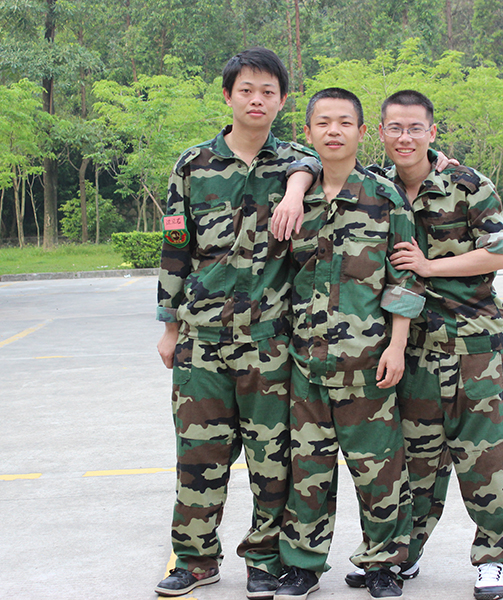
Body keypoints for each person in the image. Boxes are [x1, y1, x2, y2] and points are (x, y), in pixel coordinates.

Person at [154, 47, 316, 599]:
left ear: (282, 100)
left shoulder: (295, 162)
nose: (256, 100)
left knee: (273, 460)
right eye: (246, 89)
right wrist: (169, 327)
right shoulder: (193, 165)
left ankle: (264, 559)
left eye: (268, 91)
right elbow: (174, 247)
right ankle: (195, 559)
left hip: (268, 341)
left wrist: (294, 186)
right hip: (201, 339)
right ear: (228, 95)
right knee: (199, 455)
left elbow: (325, 162)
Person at [273, 88, 425, 600]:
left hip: (367, 365)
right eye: (323, 122)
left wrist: (396, 346)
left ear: (362, 133)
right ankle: (303, 566)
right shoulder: (294, 200)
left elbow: (403, 281)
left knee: (379, 471)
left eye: (344, 122)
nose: (333, 131)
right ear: (308, 132)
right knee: (307, 472)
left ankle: (383, 565)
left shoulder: (385, 198)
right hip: (306, 364)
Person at [381, 89, 503, 600]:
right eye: (395, 128)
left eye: (415, 128)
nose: (405, 137)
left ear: (432, 132)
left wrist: (429, 266)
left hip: (473, 346)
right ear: (381, 132)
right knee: (415, 463)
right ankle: (405, 554)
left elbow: (500, 254)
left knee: (486, 458)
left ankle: (495, 559)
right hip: (412, 348)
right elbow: (313, 158)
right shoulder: (376, 188)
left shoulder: (468, 185)